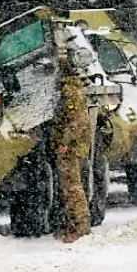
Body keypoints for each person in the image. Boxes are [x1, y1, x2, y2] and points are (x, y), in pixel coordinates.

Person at [51, 69, 92, 243]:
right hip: (73, 147)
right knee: (70, 187)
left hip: (71, 149)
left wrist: (64, 143)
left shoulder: (69, 91)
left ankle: (79, 227)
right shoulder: (75, 89)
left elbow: (75, 121)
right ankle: (75, 225)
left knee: (72, 188)